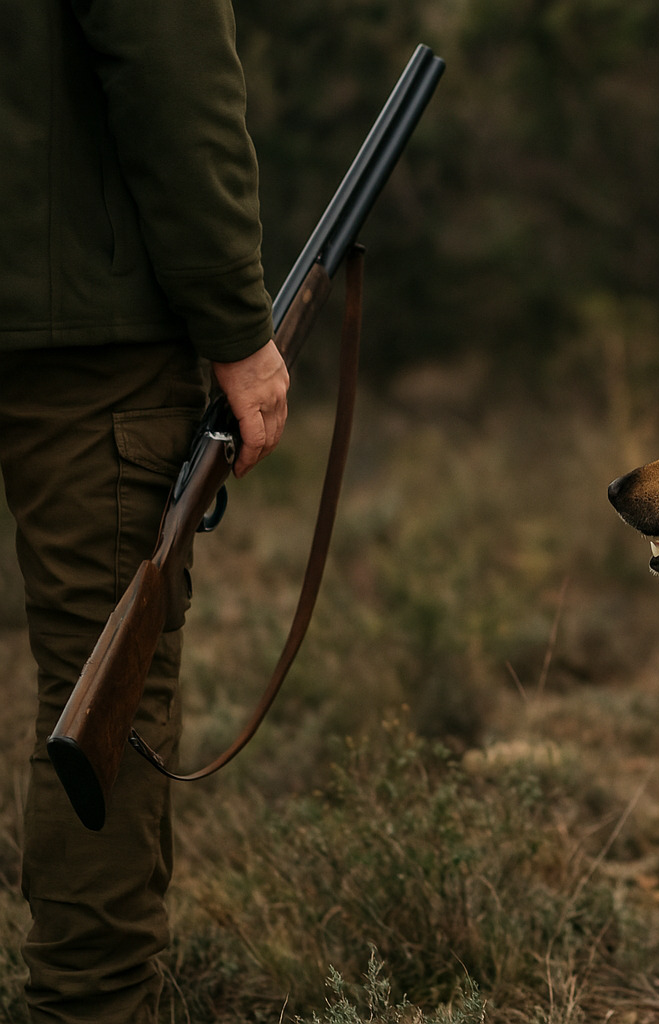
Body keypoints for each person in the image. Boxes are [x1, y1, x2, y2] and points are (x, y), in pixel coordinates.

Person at [0, 0, 289, 1019]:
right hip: (87, 346)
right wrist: (237, 321)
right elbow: (173, 79)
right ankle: (88, 1006)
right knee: (100, 696)